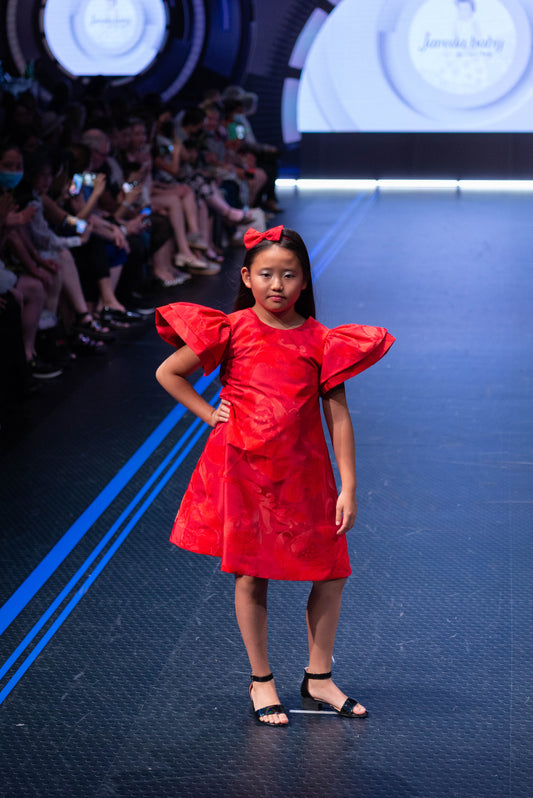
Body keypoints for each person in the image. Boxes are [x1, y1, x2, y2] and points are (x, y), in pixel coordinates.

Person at [155, 226, 395, 726]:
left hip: (305, 475)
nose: (277, 285)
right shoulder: (232, 329)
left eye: (289, 275)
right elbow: (168, 372)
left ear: (304, 281)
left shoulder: (322, 340)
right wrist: (209, 414)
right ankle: (261, 679)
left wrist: (349, 486)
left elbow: (338, 418)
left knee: (332, 572)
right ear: (247, 277)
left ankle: (319, 676)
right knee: (251, 573)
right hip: (245, 470)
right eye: (266, 274)